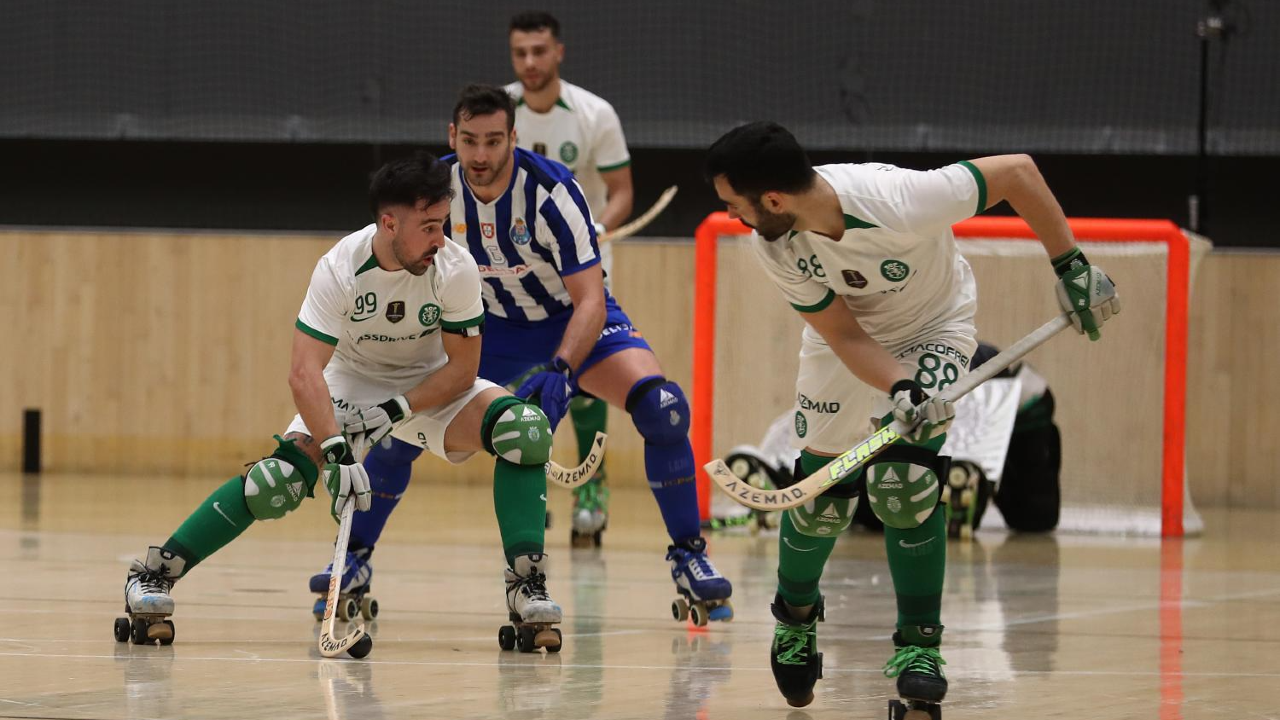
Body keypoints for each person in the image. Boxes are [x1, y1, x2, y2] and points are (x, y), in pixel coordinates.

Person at [704, 122, 1119, 709]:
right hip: (846, 340)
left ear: (772, 199)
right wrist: (900, 385)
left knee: (905, 484)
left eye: (734, 204)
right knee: (821, 499)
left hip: (935, 328)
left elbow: (1017, 172)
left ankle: (920, 645)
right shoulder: (776, 246)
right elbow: (844, 335)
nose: (731, 216)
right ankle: (795, 617)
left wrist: (1071, 266)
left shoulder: (900, 199)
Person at [117, 152, 562, 650]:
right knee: (276, 483)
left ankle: (526, 584)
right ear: (389, 223)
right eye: (428, 227)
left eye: (443, 224)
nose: (440, 239)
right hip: (350, 381)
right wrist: (334, 448)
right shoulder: (340, 268)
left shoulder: (454, 268)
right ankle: (154, 574)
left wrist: (396, 410)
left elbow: (462, 370)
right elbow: (304, 372)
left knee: (525, 430)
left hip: (429, 386)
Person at [343, 85, 733, 624]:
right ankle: (353, 560)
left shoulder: (553, 190)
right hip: (488, 329)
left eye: (493, 141)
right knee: (402, 430)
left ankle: (689, 556)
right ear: (452, 136)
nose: (481, 155)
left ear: (513, 137)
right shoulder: (433, 190)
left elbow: (591, 299)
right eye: (470, 140)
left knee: (663, 408)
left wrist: (564, 368)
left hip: (569, 322)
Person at [506, 10, 634, 544]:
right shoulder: (498, 111)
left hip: (580, 264)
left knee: (585, 376)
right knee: (521, 378)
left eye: (539, 51)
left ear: (558, 52)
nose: (530, 62)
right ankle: (529, 487)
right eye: (520, 53)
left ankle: (591, 486)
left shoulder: (594, 114)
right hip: (510, 265)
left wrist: (596, 228)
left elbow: (622, 191)